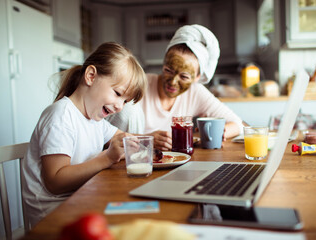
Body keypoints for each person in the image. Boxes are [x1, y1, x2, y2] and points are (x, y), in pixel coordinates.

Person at [21, 42, 147, 227]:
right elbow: (55, 182)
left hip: (81, 198)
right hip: (53, 213)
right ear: (90, 76)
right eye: (117, 93)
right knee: (128, 221)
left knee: (139, 210)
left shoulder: (94, 120)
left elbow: (124, 139)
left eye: (125, 101)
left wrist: (145, 141)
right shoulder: (61, 116)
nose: (120, 106)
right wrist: (107, 158)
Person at [108, 24, 243, 151]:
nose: (173, 82)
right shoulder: (139, 84)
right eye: (168, 70)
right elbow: (106, 133)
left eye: (184, 77)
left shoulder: (196, 92)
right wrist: (147, 139)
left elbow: (237, 124)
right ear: (163, 63)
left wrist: (218, 132)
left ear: (197, 78)